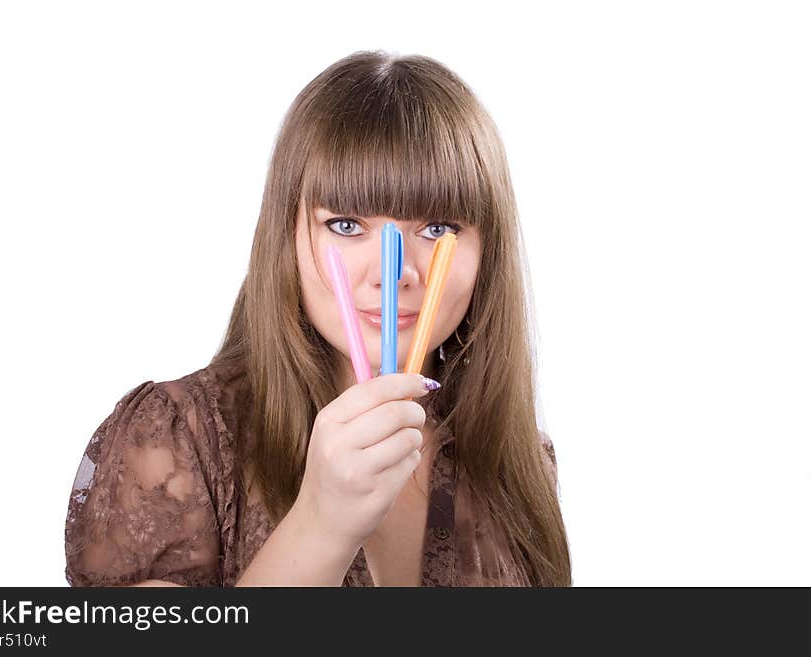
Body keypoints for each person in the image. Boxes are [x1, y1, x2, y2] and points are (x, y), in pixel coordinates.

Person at [64, 50, 571, 587]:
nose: (393, 274)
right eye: (347, 225)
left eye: (439, 228)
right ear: (289, 238)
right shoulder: (174, 441)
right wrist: (321, 526)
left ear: (486, 250)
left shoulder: (515, 462)